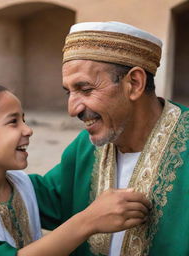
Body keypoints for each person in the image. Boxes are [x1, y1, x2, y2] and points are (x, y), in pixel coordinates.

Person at [28, 21, 189, 256]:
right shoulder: (85, 148)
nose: (72, 109)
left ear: (134, 83)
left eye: (85, 89)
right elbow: (40, 198)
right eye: (68, 91)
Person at [0, 83, 150, 256]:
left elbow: (65, 194)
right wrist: (88, 221)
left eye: (24, 120)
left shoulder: (21, 185)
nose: (28, 130)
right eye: (13, 122)